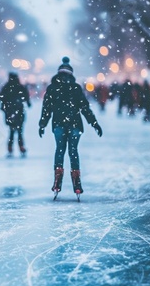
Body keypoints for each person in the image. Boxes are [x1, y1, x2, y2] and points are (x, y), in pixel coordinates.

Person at [38, 57, 103, 197]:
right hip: (75, 124)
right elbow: (85, 108)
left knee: (60, 150)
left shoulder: (52, 88)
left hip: (59, 124)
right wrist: (94, 123)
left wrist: (42, 124)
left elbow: (46, 109)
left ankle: (57, 179)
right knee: (73, 151)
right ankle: (77, 182)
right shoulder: (76, 88)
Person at [0, 72, 31, 157]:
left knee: (11, 131)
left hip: (10, 112)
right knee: (20, 131)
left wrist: (3, 106)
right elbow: (26, 96)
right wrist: (27, 103)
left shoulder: (6, 87)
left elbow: (0, 97)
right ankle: (21, 147)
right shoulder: (20, 87)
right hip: (19, 111)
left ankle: (10, 148)